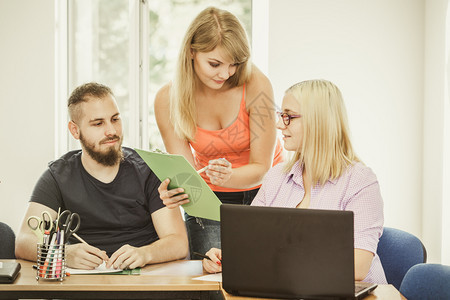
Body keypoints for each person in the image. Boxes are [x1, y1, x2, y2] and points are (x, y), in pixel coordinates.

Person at [201, 79, 387, 284]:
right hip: (292, 290)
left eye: (289, 117)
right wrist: (228, 257)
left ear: (319, 121)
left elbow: (357, 267)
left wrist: (273, 261)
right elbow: (249, 244)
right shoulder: (276, 177)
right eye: (281, 116)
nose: (280, 124)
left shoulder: (360, 182)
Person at [15, 82, 188, 270]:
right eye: (98, 123)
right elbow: (23, 241)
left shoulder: (149, 170)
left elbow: (178, 242)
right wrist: (63, 253)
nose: (111, 131)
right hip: (83, 286)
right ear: (75, 130)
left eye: (115, 119)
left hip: (144, 281)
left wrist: (146, 253)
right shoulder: (57, 176)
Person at [155, 7, 283, 258]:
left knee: (264, 272)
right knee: (211, 274)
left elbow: (261, 168)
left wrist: (228, 177)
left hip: (266, 190)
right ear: (192, 52)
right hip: (209, 196)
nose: (225, 74)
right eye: (215, 64)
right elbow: (188, 175)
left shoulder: (256, 84)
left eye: (234, 64)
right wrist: (176, 191)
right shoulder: (167, 99)